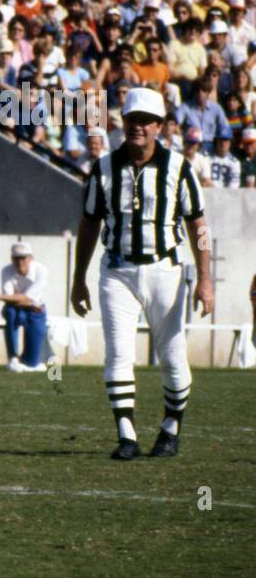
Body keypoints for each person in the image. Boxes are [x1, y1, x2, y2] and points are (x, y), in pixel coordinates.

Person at [71, 88, 214, 461]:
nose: (138, 127)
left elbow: (198, 224)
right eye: (132, 119)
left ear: (159, 127)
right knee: (118, 353)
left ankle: (170, 428)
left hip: (165, 268)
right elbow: (88, 225)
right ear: (124, 121)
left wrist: (205, 278)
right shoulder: (103, 168)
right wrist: (78, 278)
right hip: (117, 269)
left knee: (172, 356)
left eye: (146, 120)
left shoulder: (179, 168)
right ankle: (126, 435)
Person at [0, 242, 49, 373]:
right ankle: (12, 357)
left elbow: (25, 297)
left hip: (36, 312)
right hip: (21, 308)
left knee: (31, 363)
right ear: (11, 259)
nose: (20, 262)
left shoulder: (41, 270)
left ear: (31, 258)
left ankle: (28, 361)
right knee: (11, 313)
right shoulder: (7, 270)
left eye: (23, 258)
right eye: (16, 258)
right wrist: (22, 299)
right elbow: (16, 298)